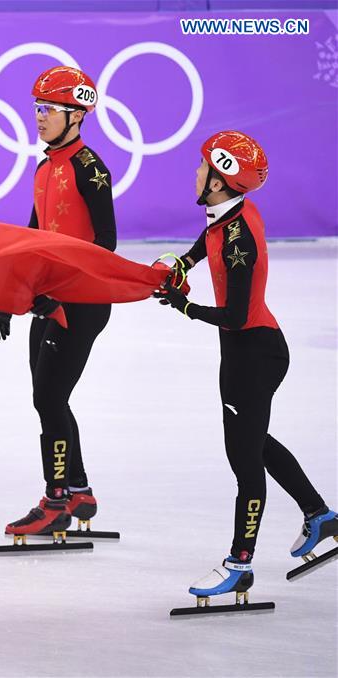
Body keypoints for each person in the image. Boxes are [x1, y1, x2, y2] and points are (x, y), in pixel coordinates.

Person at [154, 130, 337, 600]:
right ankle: (320, 516)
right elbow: (207, 238)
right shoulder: (228, 213)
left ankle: (240, 564)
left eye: (202, 168)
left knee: (245, 463)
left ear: (218, 180)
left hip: (251, 352)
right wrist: (183, 263)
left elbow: (234, 316)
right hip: (250, 350)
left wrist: (183, 305)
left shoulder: (239, 237)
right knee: (254, 442)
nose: (195, 173)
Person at [0, 66, 117, 537]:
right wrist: (7, 295)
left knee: (49, 396)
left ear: (77, 116)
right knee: (49, 398)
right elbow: (30, 239)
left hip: (80, 302)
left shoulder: (90, 169)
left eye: (50, 110)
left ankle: (56, 500)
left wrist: (61, 288)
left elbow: (106, 243)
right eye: (38, 108)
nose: (39, 117)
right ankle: (78, 488)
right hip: (47, 301)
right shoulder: (45, 167)